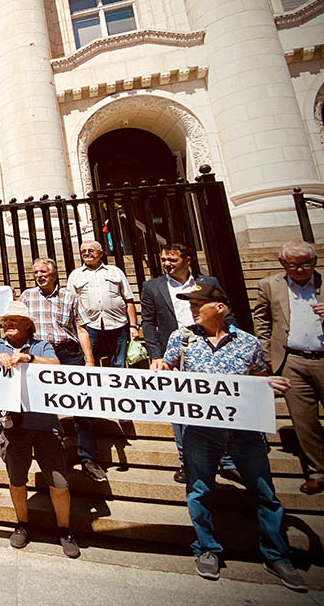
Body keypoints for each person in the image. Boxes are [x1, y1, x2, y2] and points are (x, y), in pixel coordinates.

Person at [153, 283, 306, 592]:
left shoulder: (248, 343)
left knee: (265, 494)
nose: (193, 308)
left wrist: (270, 385)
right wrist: (160, 364)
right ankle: (207, 548)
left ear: (219, 307)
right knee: (199, 491)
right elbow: (168, 367)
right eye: (190, 303)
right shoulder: (181, 339)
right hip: (201, 433)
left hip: (245, 434)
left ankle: (277, 556)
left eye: (199, 303)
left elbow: (258, 378)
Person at [0, 301, 80, 558]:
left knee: (58, 481)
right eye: (6, 321)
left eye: (15, 320)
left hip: (45, 423)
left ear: (28, 325)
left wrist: (30, 359)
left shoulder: (41, 345)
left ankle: (65, 530)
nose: (9, 324)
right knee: (17, 478)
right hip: (13, 426)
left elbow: (57, 366)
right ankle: (22, 525)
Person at [142, 243, 234, 483]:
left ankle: (225, 459)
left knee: (216, 403)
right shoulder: (153, 286)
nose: (166, 264)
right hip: (174, 353)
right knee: (179, 409)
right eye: (163, 259)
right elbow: (149, 323)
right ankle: (187, 462)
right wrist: (155, 354)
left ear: (187, 260)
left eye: (172, 259)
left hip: (209, 349)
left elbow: (227, 314)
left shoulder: (208, 282)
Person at [19, 258, 106, 482]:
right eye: (35, 272)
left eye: (43, 272)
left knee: (81, 405)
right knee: (39, 404)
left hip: (68, 353)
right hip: (39, 353)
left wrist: (89, 361)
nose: (39, 276)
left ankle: (88, 458)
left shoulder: (70, 296)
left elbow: (81, 329)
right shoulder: (27, 296)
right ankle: (49, 455)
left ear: (54, 274)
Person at [253, 240, 324, 496]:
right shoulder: (270, 286)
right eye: (294, 265)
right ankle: (317, 470)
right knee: (304, 421)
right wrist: (266, 352)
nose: (301, 269)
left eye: (306, 264)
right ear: (283, 264)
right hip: (291, 360)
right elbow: (261, 318)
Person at [66, 240, 138, 369]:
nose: (86, 253)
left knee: (118, 364)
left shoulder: (115, 271)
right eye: (83, 251)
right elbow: (71, 304)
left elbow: (129, 300)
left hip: (118, 325)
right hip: (90, 327)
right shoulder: (75, 275)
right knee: (91, 363)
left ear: (101, 253)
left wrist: (133, 326)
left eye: (91, 251)